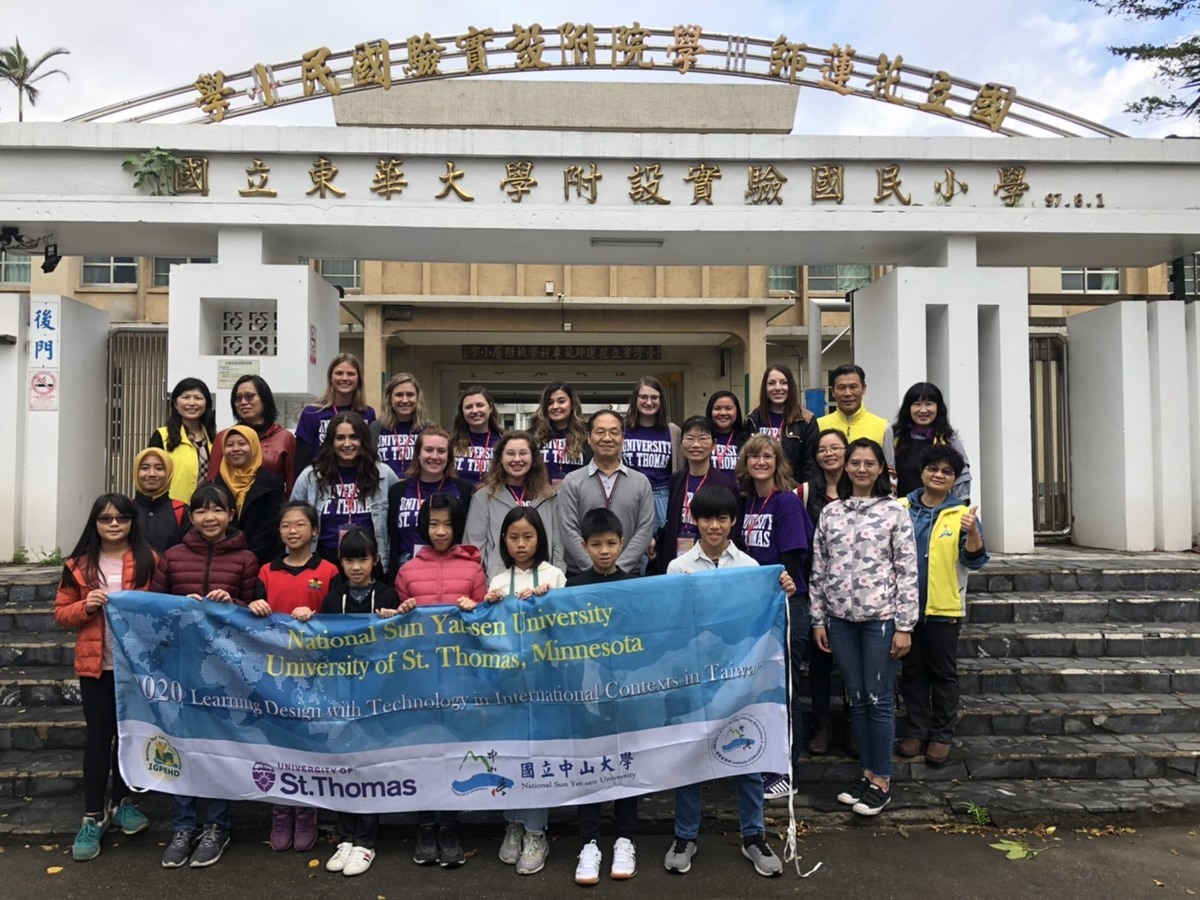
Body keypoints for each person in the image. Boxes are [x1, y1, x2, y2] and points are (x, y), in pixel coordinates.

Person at [664, 485, 787, 879]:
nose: (713, 526)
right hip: (692, 679)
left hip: (739, 681)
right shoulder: (678, 568)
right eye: (705, 518)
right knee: (690, 758)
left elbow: (761, 625)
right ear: (694, 520)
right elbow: (669, 626)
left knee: (748, 756)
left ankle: (754, 835)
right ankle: (685, 835)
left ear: (734, 521)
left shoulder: (750, 569)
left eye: (721, 518)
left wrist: (781, 590)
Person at [809, 438, 918, 818]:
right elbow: (819, 570)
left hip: (881, 619)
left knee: (879, 698)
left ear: (880, 468)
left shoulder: (895, 513)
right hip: (839, 620)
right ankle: (867, 773)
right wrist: (818, 618)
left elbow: (907, 571)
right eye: (854, 462)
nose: (860, 469)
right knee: (855, 696)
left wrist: (904, 625)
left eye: (868, 463)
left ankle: (883, 780)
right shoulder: (831, 513)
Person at [151, 484, 259, 868]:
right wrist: (179, 606)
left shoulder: (247, 559)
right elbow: (152, 608)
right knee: (181, 745)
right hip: (180, 668)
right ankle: (183, 826)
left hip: (225, 671)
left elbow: (256, 615)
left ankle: (217, 825)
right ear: (192, 517)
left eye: (218, 510)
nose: (209, 517)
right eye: (201, 511)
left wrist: (235, 604)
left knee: (219, 746)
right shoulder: (173, 557)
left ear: (231, 514)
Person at [54, 494, 156, 862]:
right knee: (100, 735)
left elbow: (163, 608)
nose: (114, 524)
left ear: (132, 521)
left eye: (121, 518)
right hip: (96, 665)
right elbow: (61, 613)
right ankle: (93, 814)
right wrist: (86, 606)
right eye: (105, 518)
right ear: (95, 523)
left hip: (135, 667)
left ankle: (124, 803)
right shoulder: (78, 565)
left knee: (130, 735)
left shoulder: (149, 560)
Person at [394, 494, 486, 869]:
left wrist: (475, 611)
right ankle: (424, 825)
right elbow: (396, 630)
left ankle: (450, 827)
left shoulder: (474, 570)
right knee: (422, 751)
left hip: (460, 676)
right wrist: (400, 614)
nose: (441, 531)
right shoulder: (407, 571)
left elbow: (487, 626)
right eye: (434, 524)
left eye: (448, 524)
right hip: (419, 677)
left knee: (455, 753)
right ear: (423, 527)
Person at [308, 527, 399, 877]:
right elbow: (323, 639)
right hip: (341, 693)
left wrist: (398, 618)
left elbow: (402, 640)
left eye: (362, 559)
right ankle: (346, 836)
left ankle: (366, 841)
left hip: (376, 695)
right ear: (340, 562)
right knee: (343, 762)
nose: (356, 567)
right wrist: (306, 617)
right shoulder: (333, 599)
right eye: (349, 559)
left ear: (375, 560)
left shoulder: (388, 593)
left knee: (369, 763)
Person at [248, 500, 338, 854]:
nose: (293, 531)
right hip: (274, 673)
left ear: (314, 530)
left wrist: (314, 617)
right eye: (286, 525)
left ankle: (306, 810)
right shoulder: (266, 571)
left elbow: (340, 619)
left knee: (309, 739)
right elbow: (250, 616)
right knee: (276, 740)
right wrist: (254, 607)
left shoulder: (329, 571)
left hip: (316, 673)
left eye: (300, 525)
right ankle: (281, 809)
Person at [483, 506, 564, 877]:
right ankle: (513, 822)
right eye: (513, 537)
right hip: (508, 685)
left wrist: (548, 602)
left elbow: (566, 629)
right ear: (503, 540)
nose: (520, 544)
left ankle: (536, 831)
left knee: (538, 754)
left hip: (545, 683)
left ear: (540, 539)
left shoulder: (554, 576)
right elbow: (487, 635)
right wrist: (485, 608)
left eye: (528, 537)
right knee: (511, 753)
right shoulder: (497, 580)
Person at [897, 445, 988, 765]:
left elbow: (975, 560)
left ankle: (942, 734)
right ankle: (917, 730)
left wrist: (973, 532)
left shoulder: (962, 514)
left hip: (943, 609)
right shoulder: (900, 508)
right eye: (933, 468)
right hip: (906, 609)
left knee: (943, 674)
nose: (938, 475)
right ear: (922, 472)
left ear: (954, 479)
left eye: (946, 471)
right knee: (913, 672)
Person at [736, 433, 811, 801]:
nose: (760, 463)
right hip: (755, 609)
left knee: (785, 689)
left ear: (777, 462)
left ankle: (786, 771)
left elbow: (794, 556)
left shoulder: (786, 503)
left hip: (785, 604)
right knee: (762, 688)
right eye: (754, 457)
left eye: (767, 456)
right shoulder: (748, 502)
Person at [567, 507, 638, 884]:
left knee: (626, 763)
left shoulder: (635, 585)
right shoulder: (572, 588)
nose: (605, 551)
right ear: (584, 546)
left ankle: (625, 838)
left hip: (626, 692)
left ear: (622, 544)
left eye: (611, 543)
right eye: (597, 545)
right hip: (585, 693)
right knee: (590, 764)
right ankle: (590, 842)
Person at [797, 429, 849, 756]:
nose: (829, 453)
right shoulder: (803, 492)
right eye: (822, 449)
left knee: (850, 662)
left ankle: (852, 725)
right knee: (819, 661)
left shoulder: (861, 487)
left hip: (854, 588)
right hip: (817, 584)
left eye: (836, 448)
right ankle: (822, 724)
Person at [290, 412, 398, 568]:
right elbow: (293, 520)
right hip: (323, 561)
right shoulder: (311, 476)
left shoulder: (383, 474)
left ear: (363, 440)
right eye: (340, 438)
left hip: (368, 561)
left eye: (354, 437)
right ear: (330, 442)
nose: (347, 444)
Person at [557, 410, 655, 578]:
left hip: (628, 576)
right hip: (581, 577)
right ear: (589, 437)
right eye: (600, 432)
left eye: (614, 432)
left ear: (623, 438)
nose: (607, 438)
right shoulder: (572, 481)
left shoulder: (641, 482)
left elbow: (645, 529)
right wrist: (594, 568)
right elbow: (568, 529)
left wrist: (617, 569)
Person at [465, 431, 562, 579]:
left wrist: (557, 579)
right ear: (500, 459)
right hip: (499, 584)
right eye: (510, 453)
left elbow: (558, 545)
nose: (517, 459)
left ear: (533, 459)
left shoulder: (550, 497)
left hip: (543, 583)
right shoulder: (483, 497)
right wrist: (482, 585)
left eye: (523, 453)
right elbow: (474, 547)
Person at [384, 426, 474, 577]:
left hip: (452, 569)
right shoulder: (397, 491)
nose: (434, 456)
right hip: (406, 568)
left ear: (449, 456)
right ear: (418, 454)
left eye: (441, 451)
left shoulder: (464, 490)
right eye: (429, 450)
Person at [656, 416, 737, 574]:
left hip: (710, 559)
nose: (695, 445)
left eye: (703, 439)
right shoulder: (677, 479)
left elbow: (731, 528)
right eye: (689, 438)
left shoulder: (724, 484)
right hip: (677, 555)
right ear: (681, 443)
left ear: (714, 445)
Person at [207, 375, 297, 495]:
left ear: (264, 398)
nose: (243, 402)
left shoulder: (284, 438)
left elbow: (292, 485)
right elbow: (213, 482)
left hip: (271, 509)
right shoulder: (225, 437)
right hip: (231, 508)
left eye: (249, 396)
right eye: (238, 398)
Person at [210, 425, 284, 565]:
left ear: (254, 446)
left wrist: (247, 557)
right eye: (229, 445)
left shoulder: (273, 483)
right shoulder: (213, 485)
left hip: (261, 560)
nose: (235, 449)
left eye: (242, 444)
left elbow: (271, 526)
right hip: (221, 561)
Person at [294, 354, 376, 475]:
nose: (344, 378)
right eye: (339, 373)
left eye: (351, 374)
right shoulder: (311, 413)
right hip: (321, 482)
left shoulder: (368, 413)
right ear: (331, 378)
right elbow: (301, 461)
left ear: (358, 379)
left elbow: (369, 453)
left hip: (358, 483)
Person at [892, 382, 972, 500]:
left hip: (939, 511)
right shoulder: (895, 438)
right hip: (902, 510)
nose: (923, 410)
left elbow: (962, 475)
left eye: (929, 404)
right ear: (908, 408)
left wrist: (959, 506)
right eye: (917, 404)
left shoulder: (948, 439)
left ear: (938, 408)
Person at [622, 376, 682, 533]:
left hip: (662, 497)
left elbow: (680, 468)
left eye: (654, 397)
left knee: (663, 549)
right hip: (630, 496)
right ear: (635, 399)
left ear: (661, 400)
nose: (649, 402)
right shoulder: (622, 429)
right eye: (643, 397)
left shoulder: (673, 431)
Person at [147, 377, 217, 503]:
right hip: (172, 511)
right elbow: (149, 475)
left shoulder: (215, 438)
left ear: (206, 404)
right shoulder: (162, 436)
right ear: (175, 404)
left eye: (198, 398)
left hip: (206, 511)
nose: (191, 403)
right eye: (185, 397)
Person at [745, 364, 818, 484]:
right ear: (765, 387)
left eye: (784, 382)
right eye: (771, 383)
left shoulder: (806, 420)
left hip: (793, 491)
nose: (778, 388)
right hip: (760, 491)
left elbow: (811, 466)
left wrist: (802, 494)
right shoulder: (753, 419)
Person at [816, 364, 895, 468]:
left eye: (853, 387)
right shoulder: (818, 425)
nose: (847, 393)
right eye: (841, 387)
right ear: (833, 392)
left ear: (863, 389)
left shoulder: (883, 427)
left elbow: (890, 470)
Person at [370, 372, 433, 480]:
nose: (404, 400)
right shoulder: (375, 428)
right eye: (399, 395)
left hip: (417, 492)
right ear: (389, 398)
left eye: (410, 395)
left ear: (418, 398)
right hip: (384, 491)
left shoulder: (429, 429)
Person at [530, 381, 591, 486]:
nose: (555, 406)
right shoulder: (532, 435)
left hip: (578, 498)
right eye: (550, 402)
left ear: (572, 404)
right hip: (542, 498)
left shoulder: (587, 433)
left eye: (561, 401)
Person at [131, 448, 188, 553]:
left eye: (159, 468)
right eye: (144, 468)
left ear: (169, 473)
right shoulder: (125, 509)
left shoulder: (182, 511)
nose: (151, 473)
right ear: (136, 472)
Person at [449, 385, 503, 486]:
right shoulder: (450, 442)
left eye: (480, 405)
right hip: (459, 500)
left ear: (490, 408)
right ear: (462, 411)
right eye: (469, 407)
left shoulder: (504, 442)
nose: (474, 411)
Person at [705, 390, 752, 476]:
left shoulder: (747, 439)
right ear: (710, 412)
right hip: (709, 488)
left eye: (728, 408)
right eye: (717, 408)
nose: (723, 413)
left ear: (736, 411)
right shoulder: (703, 438)